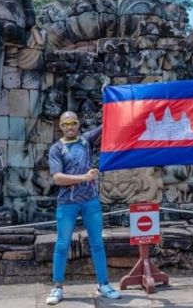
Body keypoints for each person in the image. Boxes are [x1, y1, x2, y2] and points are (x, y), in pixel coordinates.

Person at [46, 110, 121, 305]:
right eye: (65, 124)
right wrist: (84, 178)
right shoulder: (56, 149)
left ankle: (103, 283)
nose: (69, 127)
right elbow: (57, 178)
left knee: (97, 243)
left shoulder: (86, 140)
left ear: (78, 124)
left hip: (90, 201)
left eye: (73, 123)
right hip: (67, 202)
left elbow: (108, 123)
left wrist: (108, 100)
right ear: (60, 127)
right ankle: (57, 287)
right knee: (62, 244)